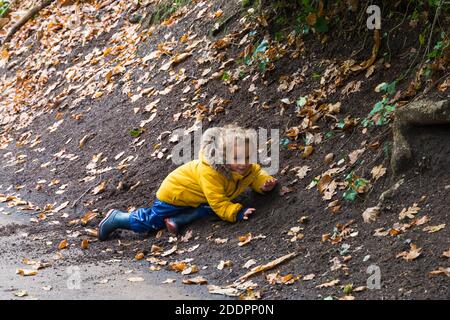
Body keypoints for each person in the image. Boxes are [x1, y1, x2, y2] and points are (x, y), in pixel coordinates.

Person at [98, 125, 277, 241]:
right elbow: (217, 201)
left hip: (195, 197)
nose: (244, 162)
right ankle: (117, 218)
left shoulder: (244, 167)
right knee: (152, 222)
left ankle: (177, 219)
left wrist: (263, 184)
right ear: (223, 157)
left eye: (247, 157)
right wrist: (237, 212)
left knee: (208, 210)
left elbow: (255, 173)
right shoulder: (211, 173)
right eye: (237, 158)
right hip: (174, 194)